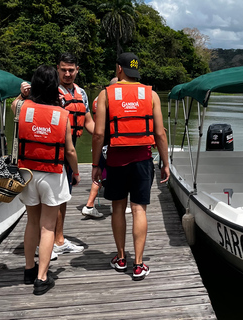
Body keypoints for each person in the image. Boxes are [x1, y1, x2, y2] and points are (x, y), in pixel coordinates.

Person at [91, 52, 169, 281]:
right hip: (143, 160)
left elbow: (98, 134)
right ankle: (138, 264)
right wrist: (164, 163)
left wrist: (96, 164)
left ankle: (121, 257)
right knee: (139, 209)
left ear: (119, 69)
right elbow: (160, 134)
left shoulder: (106, 94)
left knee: (118, 208)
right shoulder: (151, 94)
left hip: (115, 159)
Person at [13, 65, 80, 295]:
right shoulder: (62, 115)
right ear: (55, 86)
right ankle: (42, 278)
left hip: (27, 173)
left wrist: (24, 94)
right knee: (47, 226)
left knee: (32, 222)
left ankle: (29, 270)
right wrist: (76, 172)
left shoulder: (22, 107)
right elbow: (70, 151)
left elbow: (15, 104)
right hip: (51, 173)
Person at [54, 52, 94, 254]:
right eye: (64, 70)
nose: (67, 73)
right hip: (52, 151)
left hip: (70, 150)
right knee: (53, 198)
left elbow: (88, 122)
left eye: (71, 70)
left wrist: (109, 135)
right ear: (58, 69)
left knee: (63, 197)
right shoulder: (51, 91)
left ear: (77, 70)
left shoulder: (82, 93)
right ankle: (52, 241)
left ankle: (58, 240)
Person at [82, 77, 118, 218]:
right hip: (110, 142)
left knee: (101, 174)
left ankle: (90, 204)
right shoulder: (111, 100)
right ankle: (114, 205)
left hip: (99, 141)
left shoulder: (98, 99)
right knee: (114, 174)